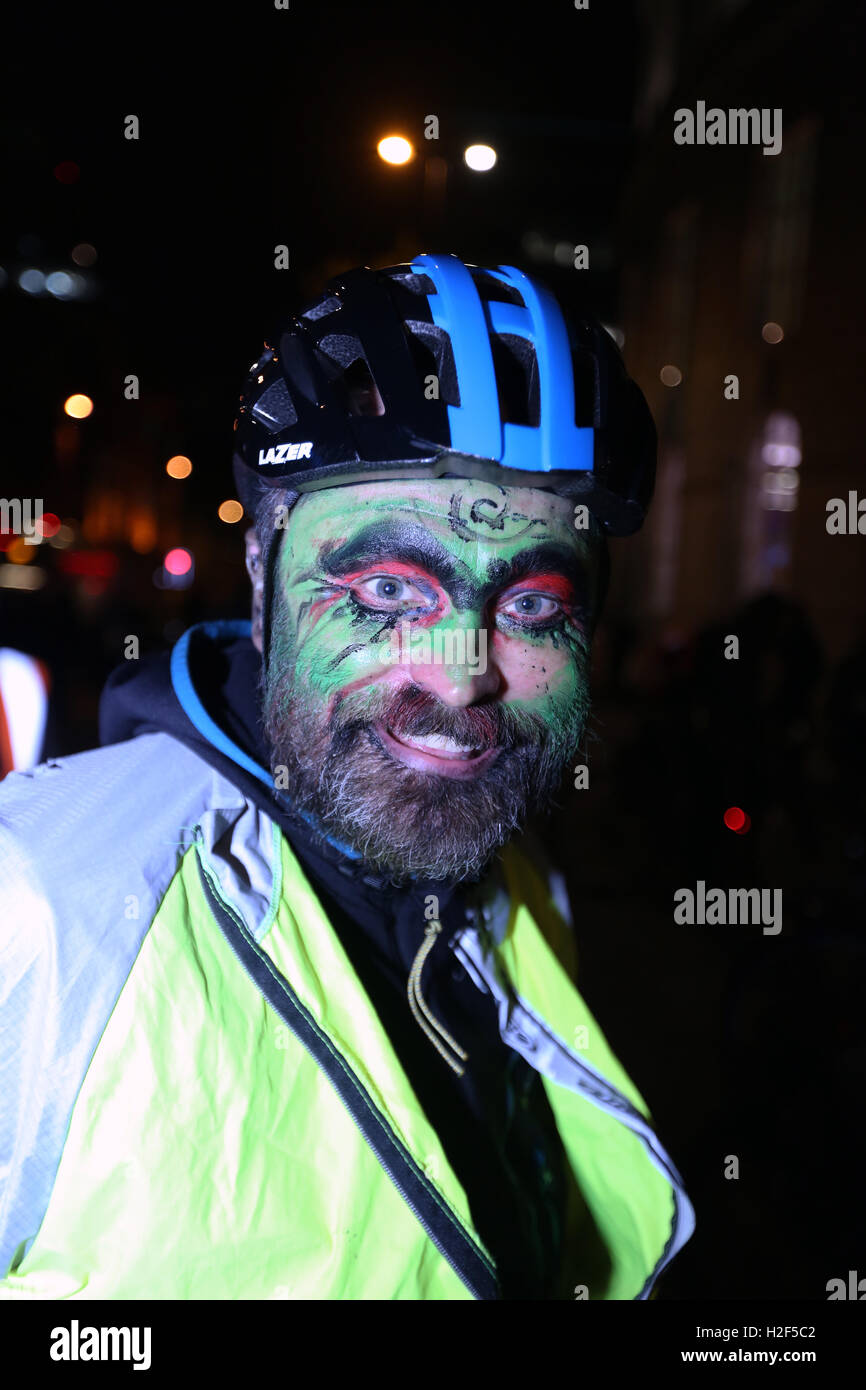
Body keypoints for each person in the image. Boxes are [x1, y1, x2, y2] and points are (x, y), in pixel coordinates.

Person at [0, 253, 694, 1301]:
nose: (462, 680)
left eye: (535, 608)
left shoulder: (520, 886)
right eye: (385, 586)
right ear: (264, 579)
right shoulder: (38, 903)